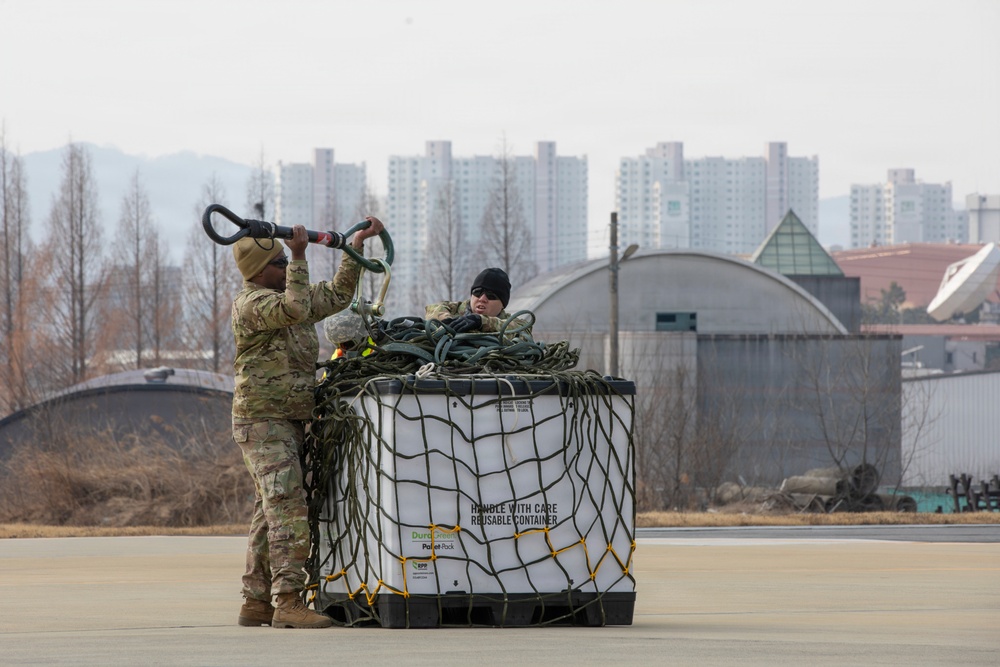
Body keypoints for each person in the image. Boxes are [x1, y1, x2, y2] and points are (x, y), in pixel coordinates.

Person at [231, 217, 384, 629]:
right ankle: (287, 602)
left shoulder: (287, 297)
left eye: (286, 261)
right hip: (264, 421)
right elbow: (295, 307)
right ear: (259, 272)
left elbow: (336, 296)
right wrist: (299, 255)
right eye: (278, 262)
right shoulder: (254, 304)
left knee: (270, 511)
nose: (285, 267)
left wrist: (354, 247)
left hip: (288, 420)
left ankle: (256, 601)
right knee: (288, 508)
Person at [424, 267, 530, 334]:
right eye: (478, 292)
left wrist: (482, 322)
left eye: (491, 295)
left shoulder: (512, 323)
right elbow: (433, 309)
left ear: (502, 304)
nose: (482, 299)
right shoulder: (453, 309)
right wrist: (447, 322)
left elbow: (523, 332)